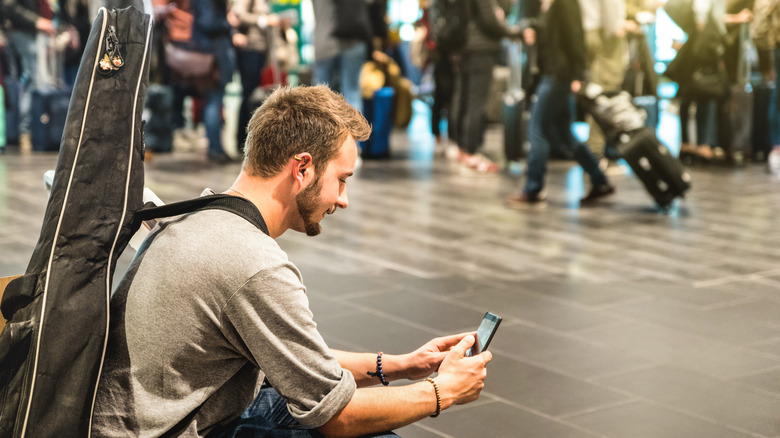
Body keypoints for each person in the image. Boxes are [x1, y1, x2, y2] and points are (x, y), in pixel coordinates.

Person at [91, 85, 491, 437]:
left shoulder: (200, 216)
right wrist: (445, 391)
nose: (343, 199)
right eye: (342, 179)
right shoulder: (252, 263)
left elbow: (295, 360)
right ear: (302, 168)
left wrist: (403, 366)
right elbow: (337, 418)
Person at [505, 0, 615, 208]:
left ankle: (533, 188)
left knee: (537, 129)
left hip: (558, 77)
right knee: (565, 134)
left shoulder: (565, 3)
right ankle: (599, 180)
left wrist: (579, 75)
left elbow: (575, 37)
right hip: (554, 75)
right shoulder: (548, 5)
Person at [451, 0, 525, 173]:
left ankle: (461, 149)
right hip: (480, 50)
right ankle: (471, 152)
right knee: (476, 102)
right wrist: (513, 33)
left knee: (463, 98)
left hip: (464, 48)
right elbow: (490, 20)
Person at [1, 0, 57, 151]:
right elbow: (9, 5)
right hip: (22, 31)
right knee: (30, 82)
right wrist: (37, 21)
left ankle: (21, 132)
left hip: (25, 30)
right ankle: (25, 132)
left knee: (22, 82)